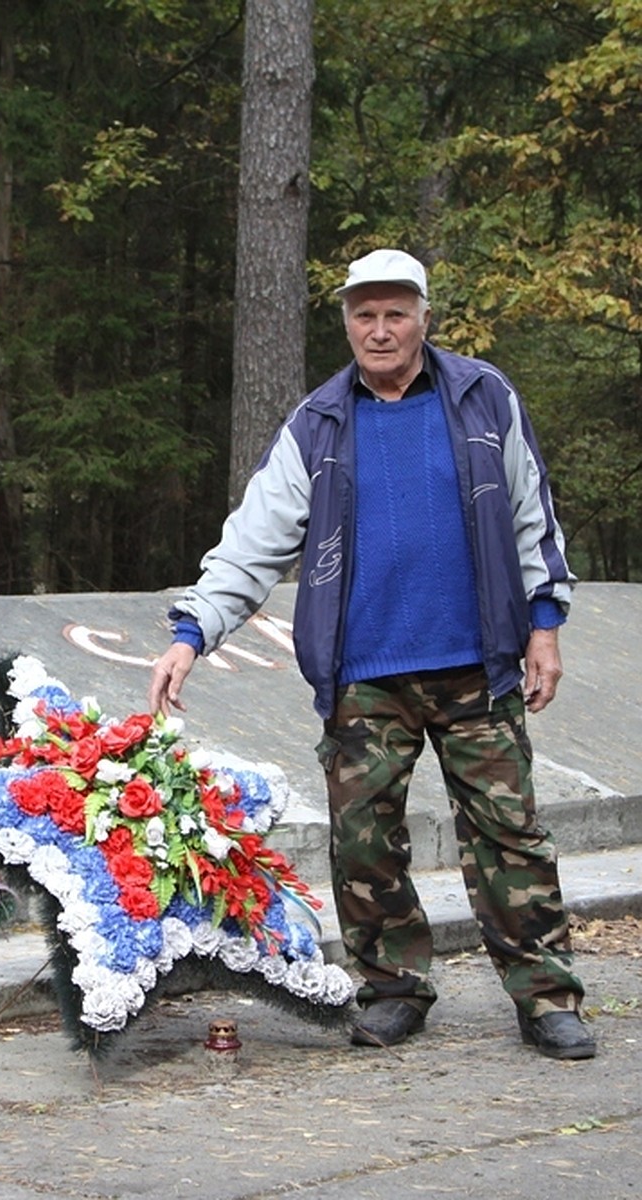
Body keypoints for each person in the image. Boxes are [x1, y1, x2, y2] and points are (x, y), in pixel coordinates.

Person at [148, 248, 596, 1060]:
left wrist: (544, 623)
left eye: (396, 313)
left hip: (479, 662)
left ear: (424, 317)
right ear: (347, 322)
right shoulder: (319, 422)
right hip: (365, 672)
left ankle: (546, 997)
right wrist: (192, 633)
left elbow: (531, 517)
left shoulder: (481, 396)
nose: (380, 330)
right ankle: (393, 989)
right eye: (365, 315)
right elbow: (253, 542)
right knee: (364, 843)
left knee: (511, 837)